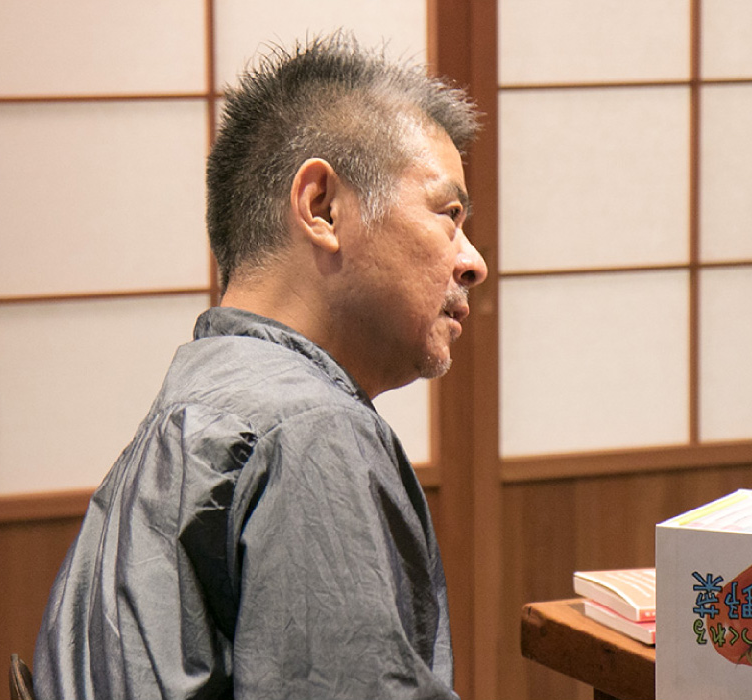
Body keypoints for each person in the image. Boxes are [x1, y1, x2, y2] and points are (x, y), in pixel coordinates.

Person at [32, 34, 487, 700]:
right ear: (322, 207)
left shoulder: (204, 389)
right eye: (448, 214)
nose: (473, 262)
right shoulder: (309, 430)